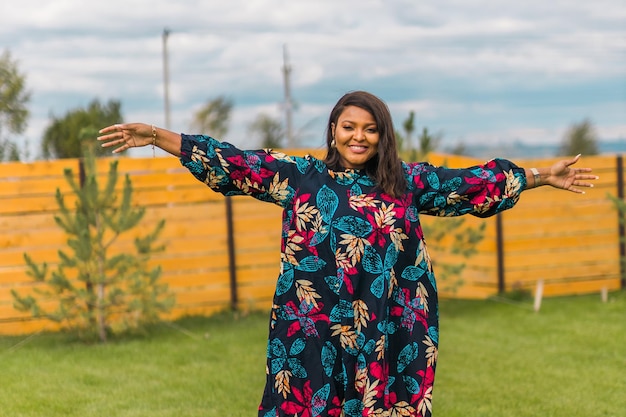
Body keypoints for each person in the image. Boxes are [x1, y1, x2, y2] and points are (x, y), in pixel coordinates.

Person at [98, 91, 597, 417]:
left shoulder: (406, 183)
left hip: (384, 329)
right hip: (310, 328)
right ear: (333, 129)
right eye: (348, 126)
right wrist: (158, 137)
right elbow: (234, 161)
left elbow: (470, 184)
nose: (358, 136)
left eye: (370, 128)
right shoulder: (298, 177)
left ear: (383, 135)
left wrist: (539, 177)